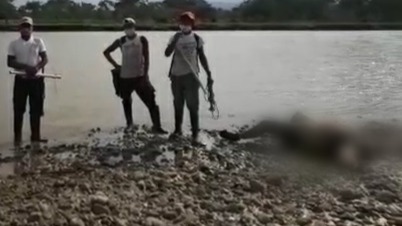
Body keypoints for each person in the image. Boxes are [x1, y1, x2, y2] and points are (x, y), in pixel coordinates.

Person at [103, 18, 167, 134]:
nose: (129, 30)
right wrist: (116, 65)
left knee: (151, 101)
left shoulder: (142, 40)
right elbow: (106, 52)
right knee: (126, 101)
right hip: (125, 77)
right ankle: (129, 124)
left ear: (134, 27)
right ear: (124, 29)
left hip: (140, 76)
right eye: (126, 28)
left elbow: (147, 59)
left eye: (130, 27)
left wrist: (145, 74)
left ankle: (157, 126)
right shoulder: (121, 41)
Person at [165, 11, 213, 144]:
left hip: (191, 77)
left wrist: (208, 72)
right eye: (182, 23)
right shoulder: (174, 37)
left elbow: (202, 57)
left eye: (187, 23)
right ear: (179, 24)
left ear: (192, 24)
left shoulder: (197, 39)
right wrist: (174, 42)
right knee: (178, 104)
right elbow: (167, 54)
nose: (185, 25)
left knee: (193, 106)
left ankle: (195, 133)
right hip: (176, 76)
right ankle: (177, 130)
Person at [7, 17, 48, 148]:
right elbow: (10, 62)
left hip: (36, 80)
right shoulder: (14, 44)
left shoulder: (38, 41)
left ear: (32, 28)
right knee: (18, 110)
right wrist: (26, 67)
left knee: (35, 110)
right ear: (19, 29)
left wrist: (36, 67)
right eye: (23, 26)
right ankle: (17, 139)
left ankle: (35, 137)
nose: (26, 29)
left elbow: (45, 58)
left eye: (28, 26)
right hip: (21, 80)